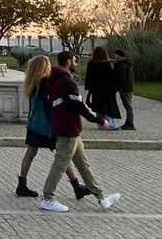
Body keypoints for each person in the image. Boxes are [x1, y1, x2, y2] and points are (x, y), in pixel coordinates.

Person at [40, 50, 121, 213]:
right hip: (68, 129)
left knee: (83, 164)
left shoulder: (54, 80)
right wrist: (100, 119)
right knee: (60, 164)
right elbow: (79, 105)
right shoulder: (65, 82)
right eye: (75, 60)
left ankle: (101, 196)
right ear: (68, 62)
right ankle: (47, 198)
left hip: (68, 129)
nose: (77, 63)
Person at [16, 54, 91, 200]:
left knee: (31, 153)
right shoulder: (45, 82)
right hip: (47, 125)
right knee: (64, 155)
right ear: (44, 67)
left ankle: (22, 184)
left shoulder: (32, 83)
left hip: (35, 123)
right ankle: (76, 186)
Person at [84, 46, 121, 129]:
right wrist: (114, 89)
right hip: (106, 90)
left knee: (98, 107)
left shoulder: (91, 64)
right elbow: (111, 78)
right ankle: (110, 124)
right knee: (108, 108)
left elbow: (89, 77)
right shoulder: (106, 64)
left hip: (96, 90)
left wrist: (89, 88)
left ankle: (101, 124)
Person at [113, 48, 136, 130]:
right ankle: (129, 122)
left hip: (125, 88)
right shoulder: (127, 64)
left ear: (119, 56)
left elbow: (121, 77)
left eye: (115, 55)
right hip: (128, 87)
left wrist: (119, 88)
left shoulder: (121, 65)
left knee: (128, 105)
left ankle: (130, 123)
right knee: (128, 105)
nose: (114, 56)